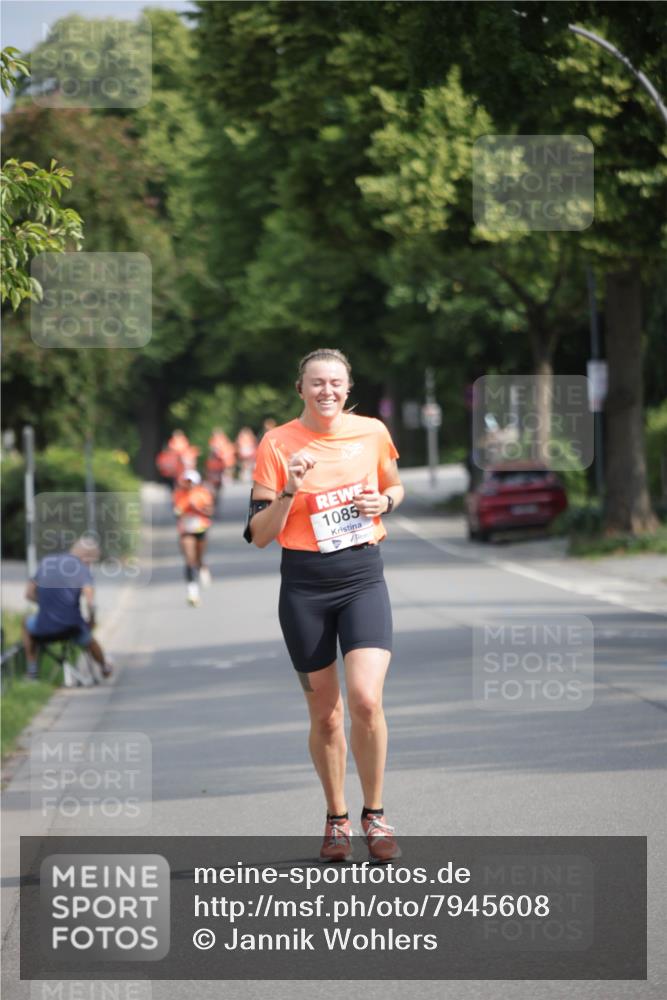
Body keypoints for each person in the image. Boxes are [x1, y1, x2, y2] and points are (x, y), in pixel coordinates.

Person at [244, 348, 404, 863]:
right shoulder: (276, 444)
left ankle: (374, 813)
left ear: (348, 386)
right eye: (316, 382)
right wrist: (288, 490)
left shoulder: (373, 433)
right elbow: (258, 535)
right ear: (301, 388)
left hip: (362, 577)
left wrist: (387, 502)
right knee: (327, 717)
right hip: (305, 587)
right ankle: (336, 819)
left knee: (364, 700)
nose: (326, 390)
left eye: (335, 382)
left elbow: (394, 484)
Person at [22, 536, 112, 681]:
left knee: (25, 622)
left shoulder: (47, 562)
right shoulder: (83, 569)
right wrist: (92, 621)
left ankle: (32, 670)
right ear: (86, 557)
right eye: (92, 561)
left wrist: (46, 604)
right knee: (88, 638)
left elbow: (29, 594)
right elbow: (90, 603)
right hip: (71, 628)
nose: (90, 565)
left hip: (43, 627)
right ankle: (104, 667)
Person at [172, 469, 214, 605]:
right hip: (186, 529)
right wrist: (181, 511)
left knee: (199, 558)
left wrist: (197, 509)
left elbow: (210, 511)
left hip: (200, 528)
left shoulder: (203, 494)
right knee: (189, 560)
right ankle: (192, 592)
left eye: (191, 482)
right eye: (186, 481)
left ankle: (203, 567)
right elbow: (176, 511)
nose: (188, 484)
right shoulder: (179, 494)